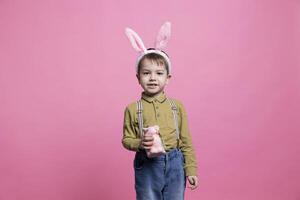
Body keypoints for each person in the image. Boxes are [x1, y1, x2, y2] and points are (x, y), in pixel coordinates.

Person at [122, 22, 198, 200]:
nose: (153, 78)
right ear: (138, 78)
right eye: (146, 73)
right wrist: (140, 143)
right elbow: (126, 139)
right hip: (147, 166)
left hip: (175, 164)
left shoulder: (176, 107)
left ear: (168, 78)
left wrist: (191, 169)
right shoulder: (133, 109)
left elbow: (186, 140)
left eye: (159, 73)